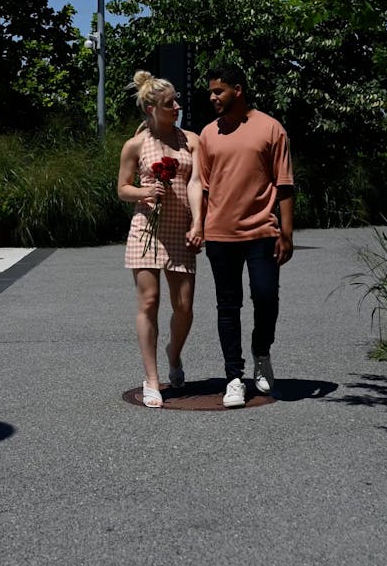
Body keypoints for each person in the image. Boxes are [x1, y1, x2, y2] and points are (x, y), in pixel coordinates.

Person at [199, 63, 294, 407]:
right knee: (228, 305)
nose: (212, 97)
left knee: (266, 296)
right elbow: (204, 187)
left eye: (218, 91)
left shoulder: (271, 129)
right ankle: (234, 377)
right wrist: (199, 226)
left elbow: (284, 185)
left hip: (262, 231)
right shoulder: (209, 134)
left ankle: (262, 352)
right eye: (211, 92)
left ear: (238, 90)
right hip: (220, 234)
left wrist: (287, 232)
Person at [118, 70, 203, 408]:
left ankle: (174, 352)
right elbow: (122, 188)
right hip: (146, 229)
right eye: (170, 104)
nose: (177, 107)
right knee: (149, 302)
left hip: (181, 227)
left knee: (184, 306)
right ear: (152, 108)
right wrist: (145, 190)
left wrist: (199, 222)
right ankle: (152, 378)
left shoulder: (191, 140)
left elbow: (196, 183)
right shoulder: (135, 145)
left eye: (177, 102)